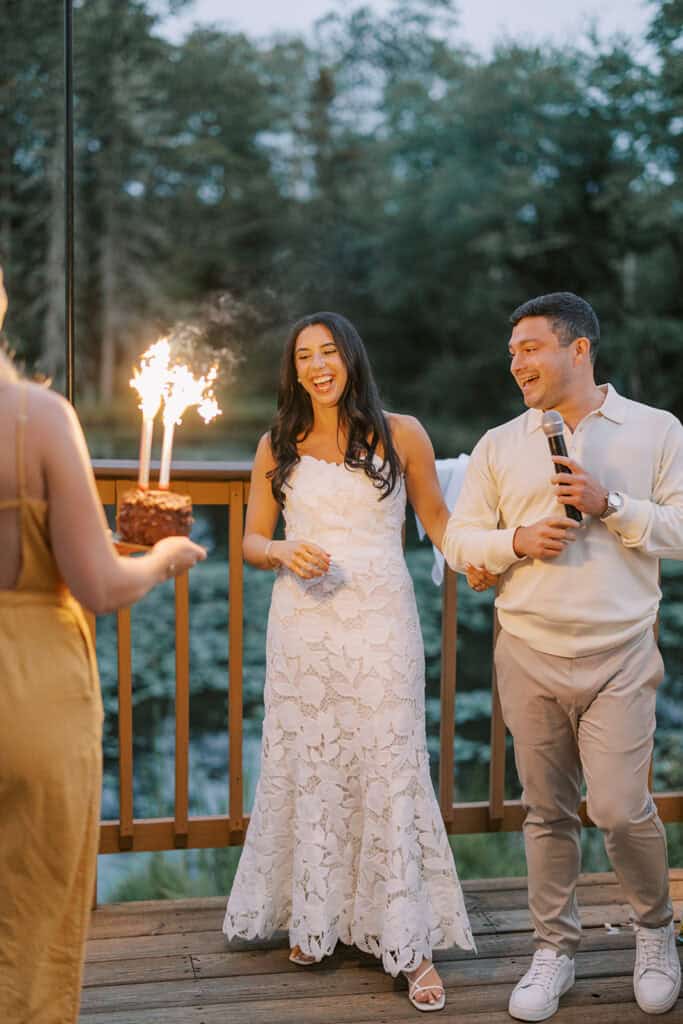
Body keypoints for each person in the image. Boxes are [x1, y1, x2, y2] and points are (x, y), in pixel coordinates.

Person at [223, 311, 485, 1012]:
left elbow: (438, 524)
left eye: (328, 350)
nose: (317, 365)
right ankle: (317, 917)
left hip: (379, 619)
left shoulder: (403, 433)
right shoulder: (277, 442)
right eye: (304, 355)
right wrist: (281, 550)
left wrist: (491, 553)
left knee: (389, 759)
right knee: (311, 761)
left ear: (350, 357)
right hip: (303, 626)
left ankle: (409, 942)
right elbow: (251, 540)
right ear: (293, 370)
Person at [443, 291, 683, 1021]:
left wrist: (611, 506)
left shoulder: (656, 429)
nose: (515, 362)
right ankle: (554, 948)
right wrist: (514, 542)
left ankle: (654, 931)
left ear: (578, 349)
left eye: (530, 347)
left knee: (616, 807)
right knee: (545, 811)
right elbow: (458, 543)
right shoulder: (498, 443)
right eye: (511, 350)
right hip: (528, 649)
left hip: (619, 652)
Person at [0, 266, 206, 1024]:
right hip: (33, 699)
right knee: (32, 912)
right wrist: (161, 558)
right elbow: (99, 586)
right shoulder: (37, 417)